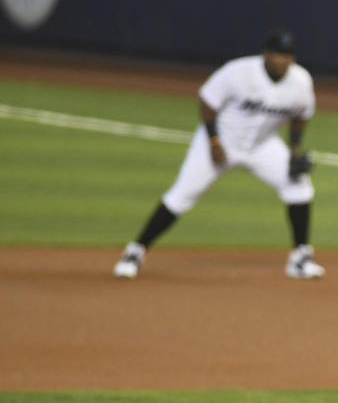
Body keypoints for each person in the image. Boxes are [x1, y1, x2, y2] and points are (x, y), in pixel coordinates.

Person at [113, 29, 324, 279]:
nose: (284, 60)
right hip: (219, 142)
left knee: (299, 188)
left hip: (262, 146)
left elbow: (301, 116)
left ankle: (300, 259)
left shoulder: (301, 81)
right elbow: (207, 102)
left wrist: (294, 151)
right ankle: (135, 252)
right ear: (266, 54)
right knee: (182, 195)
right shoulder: (238, 72)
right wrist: (213, 141)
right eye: (279, 55)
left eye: (288, 55)